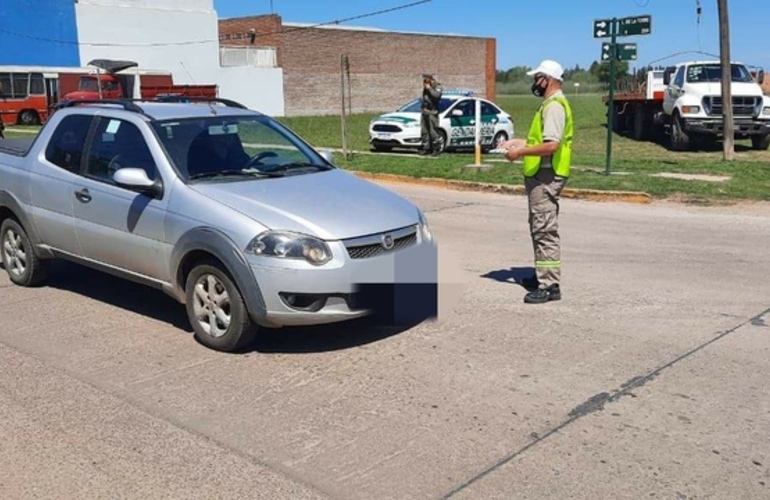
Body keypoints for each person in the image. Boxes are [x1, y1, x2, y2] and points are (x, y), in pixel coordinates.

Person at [498, 59, 574, 304]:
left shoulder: (554, 106)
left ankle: (550, 284)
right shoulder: (549, 105)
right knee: (539, 226)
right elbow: (539, 142)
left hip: (547, 176)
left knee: (544, 228)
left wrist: (519, 153)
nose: (534, 83)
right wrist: (517, 143)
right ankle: (542, 275)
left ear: (548, 79)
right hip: (541, 175)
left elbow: (552, 145)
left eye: (537, 78)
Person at [419, 74, 442, 156]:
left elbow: (437, 96)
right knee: (424, 131)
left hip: (432, 112)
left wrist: (429, 88)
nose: (425, 82)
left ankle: (436, 148)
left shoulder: (437, 86)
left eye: (426, 80)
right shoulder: (425, 87)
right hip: (425, 111)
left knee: (433, 132)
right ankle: (426, 148)